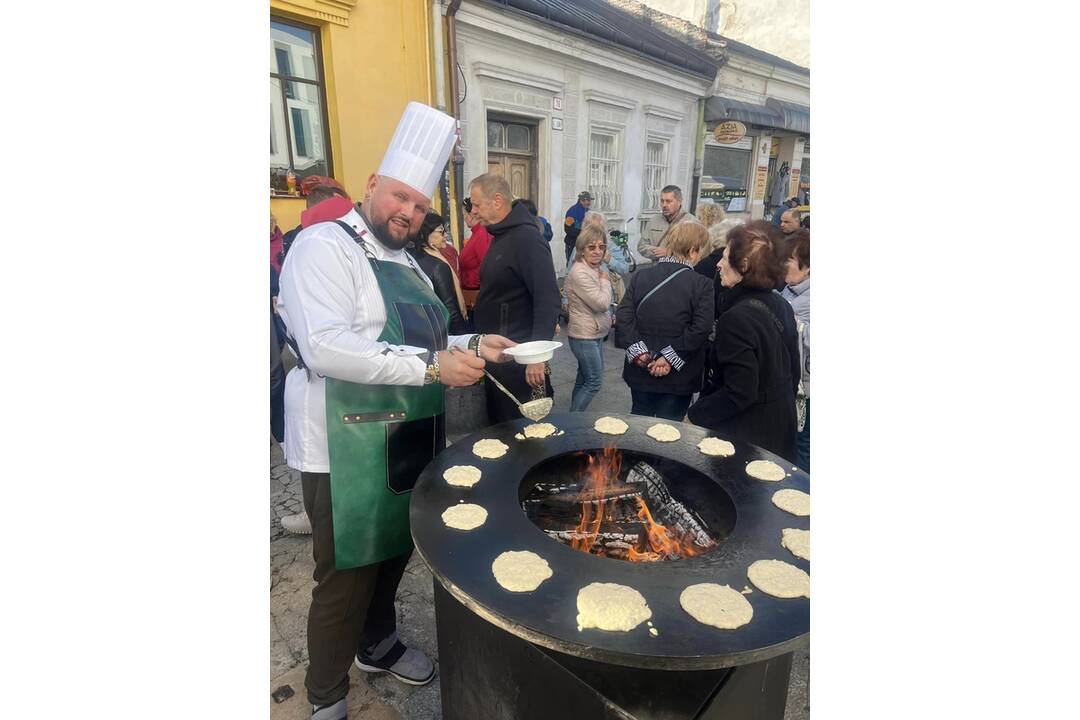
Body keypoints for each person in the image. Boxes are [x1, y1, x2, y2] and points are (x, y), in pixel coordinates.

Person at [277, 102, 516, 720]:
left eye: (418, 205)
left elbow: (422, 340)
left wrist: (471, 343)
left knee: (395, 551)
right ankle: (326, 697)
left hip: (406, 431)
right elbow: (327, 347)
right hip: (343, 441)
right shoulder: (322, 247)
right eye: (399, 198)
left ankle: (376, 645)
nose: (407, 213)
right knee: (347, 575)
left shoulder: (408, 261)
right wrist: (435, 367)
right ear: (372, 187)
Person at [686, 221, 801, 462]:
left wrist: (694, 415)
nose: (718, 263)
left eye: (725, 257)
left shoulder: (737, 318)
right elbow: (793, 372)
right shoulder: (780, 304)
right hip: (779, 429)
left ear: (744, 265)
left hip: (749, 437)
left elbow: (739, 392)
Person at [470, 172, 562, 424]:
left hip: (521, 362)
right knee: (502, 430)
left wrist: (537, 358)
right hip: (501, 355)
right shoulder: (502, 236)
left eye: (477, 204)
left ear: (497, 201)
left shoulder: (527, 239)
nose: (474, 210)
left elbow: (548, 299)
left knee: (527, 434)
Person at [616, 222, 714, 421]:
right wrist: (669, 357)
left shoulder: (641, 276)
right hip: (680, 376)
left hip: (641, 369)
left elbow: (624, 316)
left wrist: (639, 353)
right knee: (669, 432)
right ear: (693, 251)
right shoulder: (702, 284)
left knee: (639, 423)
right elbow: (701, 328)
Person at [564, 225, 613, 411]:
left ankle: (574, 418)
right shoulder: (580, 272)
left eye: (601, 247)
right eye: (591, 247)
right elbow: (601, 303)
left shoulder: (594, 268)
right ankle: (574, 420)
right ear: (582, 249)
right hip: (584, 336)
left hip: (594, 333)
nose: (597, 251)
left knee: (584, 378)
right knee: (593, 382)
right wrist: (605, 280)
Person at [408, 211, 469, 334]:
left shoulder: (407, 258)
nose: (445, 235)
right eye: (441, 231)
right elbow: (451, 311)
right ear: (426, 233)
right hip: (442, 333)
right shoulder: (438, 266)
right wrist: (463, 335)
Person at [780, 229, 810, 470]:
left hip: (807, 387)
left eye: (787, 260)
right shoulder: (790, 289)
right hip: (792, 380)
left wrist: (788, 321)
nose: (782, 265)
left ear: (807, 266)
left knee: (804, 443)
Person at [638, 185, 700, 262]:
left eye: (668, 201)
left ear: (679, 202)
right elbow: (642, 246)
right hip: (657, 268)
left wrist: (670, 253)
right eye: (662, 201)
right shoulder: (654, 220)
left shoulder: (692, 223)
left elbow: (697, 251)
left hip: (680, 270)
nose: (664, 205)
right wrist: (656, 252)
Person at [458, 196, 493, 304]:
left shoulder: (482, 234)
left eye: (463, 215)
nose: (464, 218)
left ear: (471, 215)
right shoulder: (477, 233)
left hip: (477, 295)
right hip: (472, 293)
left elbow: (486, 265)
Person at [563, 191, 593, 263]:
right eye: (587, 200)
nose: (589, 203)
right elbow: (568, 229)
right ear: (581, 200)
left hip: (584, 244)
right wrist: (582, 233)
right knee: (571, 264)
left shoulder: (588, 211)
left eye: (589, 200)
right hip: (573, 243)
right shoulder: (572, 211)